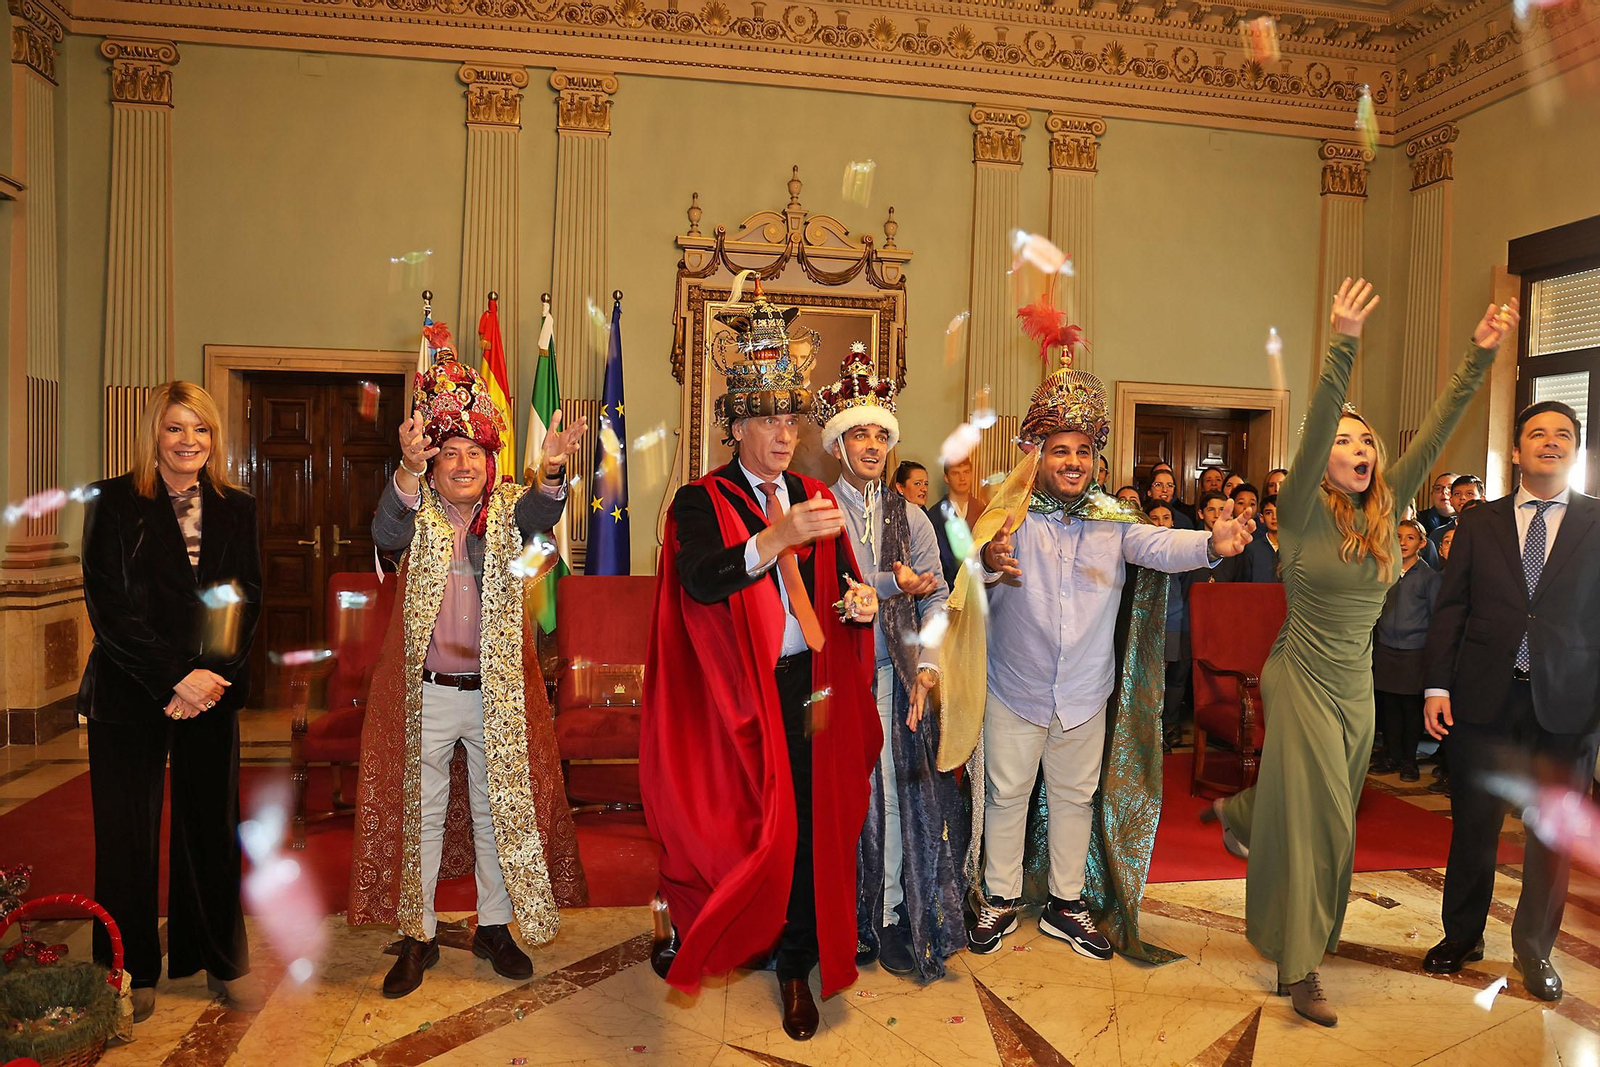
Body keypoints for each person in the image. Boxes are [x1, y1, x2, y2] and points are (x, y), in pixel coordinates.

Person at [1202, 280, 1517, 1027]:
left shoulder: (1385, 509)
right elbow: (1314, 433)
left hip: (1356, 686)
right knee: (1319, 824)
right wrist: (1342, 342)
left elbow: (1435, 432)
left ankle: (1247, 811)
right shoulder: (1302, 509)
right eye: (1345, 442)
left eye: (1366, 441)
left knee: (1332, 819)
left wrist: (1478, 357)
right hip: (1300, 675)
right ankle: (1300, 965)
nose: (1359, 450)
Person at [937, 291, 1254, 964]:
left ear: (1096, 458)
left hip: (1085, 690)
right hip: (1014, 686)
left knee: (1076, 797)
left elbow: (1158, 546)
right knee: (1007, 794)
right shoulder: (1007, 512)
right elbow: (968, 578)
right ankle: (998, 899)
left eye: (1083, 450)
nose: (1073, 461)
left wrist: (1212, 543)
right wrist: (989, 562)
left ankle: (1066, 903)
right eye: (1061, 449)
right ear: (1038, 453)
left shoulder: (1114, 519)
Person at [641, 279, 881, 1042]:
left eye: (791, 419)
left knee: (808, 828)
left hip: (808, 688)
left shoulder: (812, 492)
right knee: (734, 828)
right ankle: (718, 929)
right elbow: (700, 579)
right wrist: (775, 539)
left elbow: (843, 581)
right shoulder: (700, 499)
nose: (783, 433)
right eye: (769, 419)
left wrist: (860, 603)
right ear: (737, 424)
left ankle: (795, 966)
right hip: (733, 695)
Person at [348, 325, 590, 998]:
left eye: (474, 453)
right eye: (450, 453)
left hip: (495, 694)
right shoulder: (415, 507)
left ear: (491, 459)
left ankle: (495, 926)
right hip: (426, 692)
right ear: (433, 462)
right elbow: (383, 531)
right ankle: (417, 934)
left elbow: (543, 513)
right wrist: (405, 470)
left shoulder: (508, 508)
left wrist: (551, 469)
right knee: (421, 814)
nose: (462, 465)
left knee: (497, 812)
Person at [80, 382, 265, 1022]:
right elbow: (109, 606)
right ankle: (127, 967)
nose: (190, 441)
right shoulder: (110, 501)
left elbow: (242, 600)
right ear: (153, 435)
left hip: (211, 691)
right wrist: (172, 679)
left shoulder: (237, 508)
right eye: (175, 428)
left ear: (215, 437)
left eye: (201, 428)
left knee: (210, 829)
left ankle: (219, 959)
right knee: (126, 835)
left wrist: (209, 677)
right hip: (130, 691)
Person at [1421, 400, 1600, 1002]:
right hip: (1483, 698)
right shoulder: (1479, 521)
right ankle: (1461, 936)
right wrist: (1438, 686)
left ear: (1575, 449)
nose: (1551, 442)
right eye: (1537, 433)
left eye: (1563, 434)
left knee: (1552, 835)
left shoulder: (1598, 521)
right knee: (1474, 824)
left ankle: (1534, 950)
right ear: (1517, 450)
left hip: (1569, 705)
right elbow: (1452, 608)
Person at [813, 352, 963, 982]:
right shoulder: (818, 508)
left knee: (898, 803)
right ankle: (845, 918)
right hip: (829, 682)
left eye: (881, 434)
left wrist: (928, 665)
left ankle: (894, 915)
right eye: (859, 434)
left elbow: (937, 596)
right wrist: (885, 584)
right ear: (837, 444)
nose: (873, 445)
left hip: (893, 680)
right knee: (840, 801)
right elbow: (816, 592)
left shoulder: (914, 516)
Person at [1370, 519, 1440, 781]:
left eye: (1410, 538)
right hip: (1386, 648)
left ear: (1422, 543)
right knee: (1389, 705)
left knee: (1411, 708)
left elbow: (1435, 616)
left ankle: (1409, 760)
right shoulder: (1385, 571)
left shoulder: (1429, 577)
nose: (1402, 542)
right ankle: (1392, 756)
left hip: (1415, 650)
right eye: (1398, 537)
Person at [930, 455, 987, 585]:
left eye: (966, 472)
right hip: (946, 585)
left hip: (980, 584)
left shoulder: (983, 511)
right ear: (946, 478)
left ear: (972, 474)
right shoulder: (934, 515)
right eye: (955, 473)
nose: (962, 478)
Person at [1246, 494, 1282, 583]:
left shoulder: (1297, 550)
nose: (1274, 517)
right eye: (1269, 513)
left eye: (1279, 512)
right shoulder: (1252, 549)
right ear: (1261, 518)